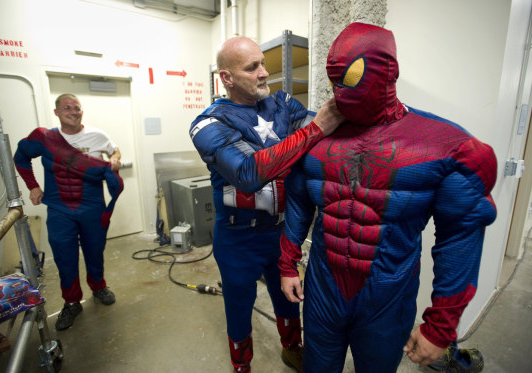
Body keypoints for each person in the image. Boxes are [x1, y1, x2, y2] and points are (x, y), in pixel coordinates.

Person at [279, 22, 497, 373]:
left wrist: (441, 326)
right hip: (322, 284)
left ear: (389, 71)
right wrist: (287, 263)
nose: (341, 91)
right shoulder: (316, 136)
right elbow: (298, 201)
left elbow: (460, 237)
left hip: (388, 293)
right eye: (335, 80)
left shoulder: (443, 146)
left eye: (350, 78)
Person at [189, 36, 344, 373]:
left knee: (290, 298)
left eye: (262, 63)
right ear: (226, 78)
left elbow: (326, 132)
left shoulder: (283, 104)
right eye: (252, 67)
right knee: (239, 307)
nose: (264, 72)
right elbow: (247, 173)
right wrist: (314, 129)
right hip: (237, 239)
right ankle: (241, 365)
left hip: (281, 233)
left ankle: (292, 348)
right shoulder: (208, 124)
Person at [14, 93, 124, 331]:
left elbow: (116, 151)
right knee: (65, 256)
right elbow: (21, 157)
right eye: (67, 108)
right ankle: (72, 302)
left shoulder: (97, 135)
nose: (73, 112)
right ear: (56, 112)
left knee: (95, 251)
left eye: (77, 108)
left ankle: (98, 287)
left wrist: (114, 159)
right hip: (59, 208)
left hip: (92, 206)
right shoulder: (45, 138)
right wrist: (32, 185)